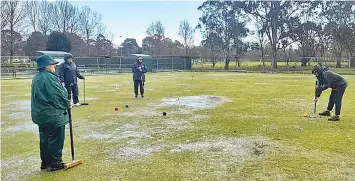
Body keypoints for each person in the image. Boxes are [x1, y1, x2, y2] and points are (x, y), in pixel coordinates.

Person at [31, 55, 70, 171]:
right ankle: (55, 162)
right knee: (55, 139)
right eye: (52, 64)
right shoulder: (49, 78)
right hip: (52, 115)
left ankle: (46, 162)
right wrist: (66, 104)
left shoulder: (37, 78)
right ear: (47, 66)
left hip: (41, 115)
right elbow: (58, 95)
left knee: (45, 139)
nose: (54, 66)